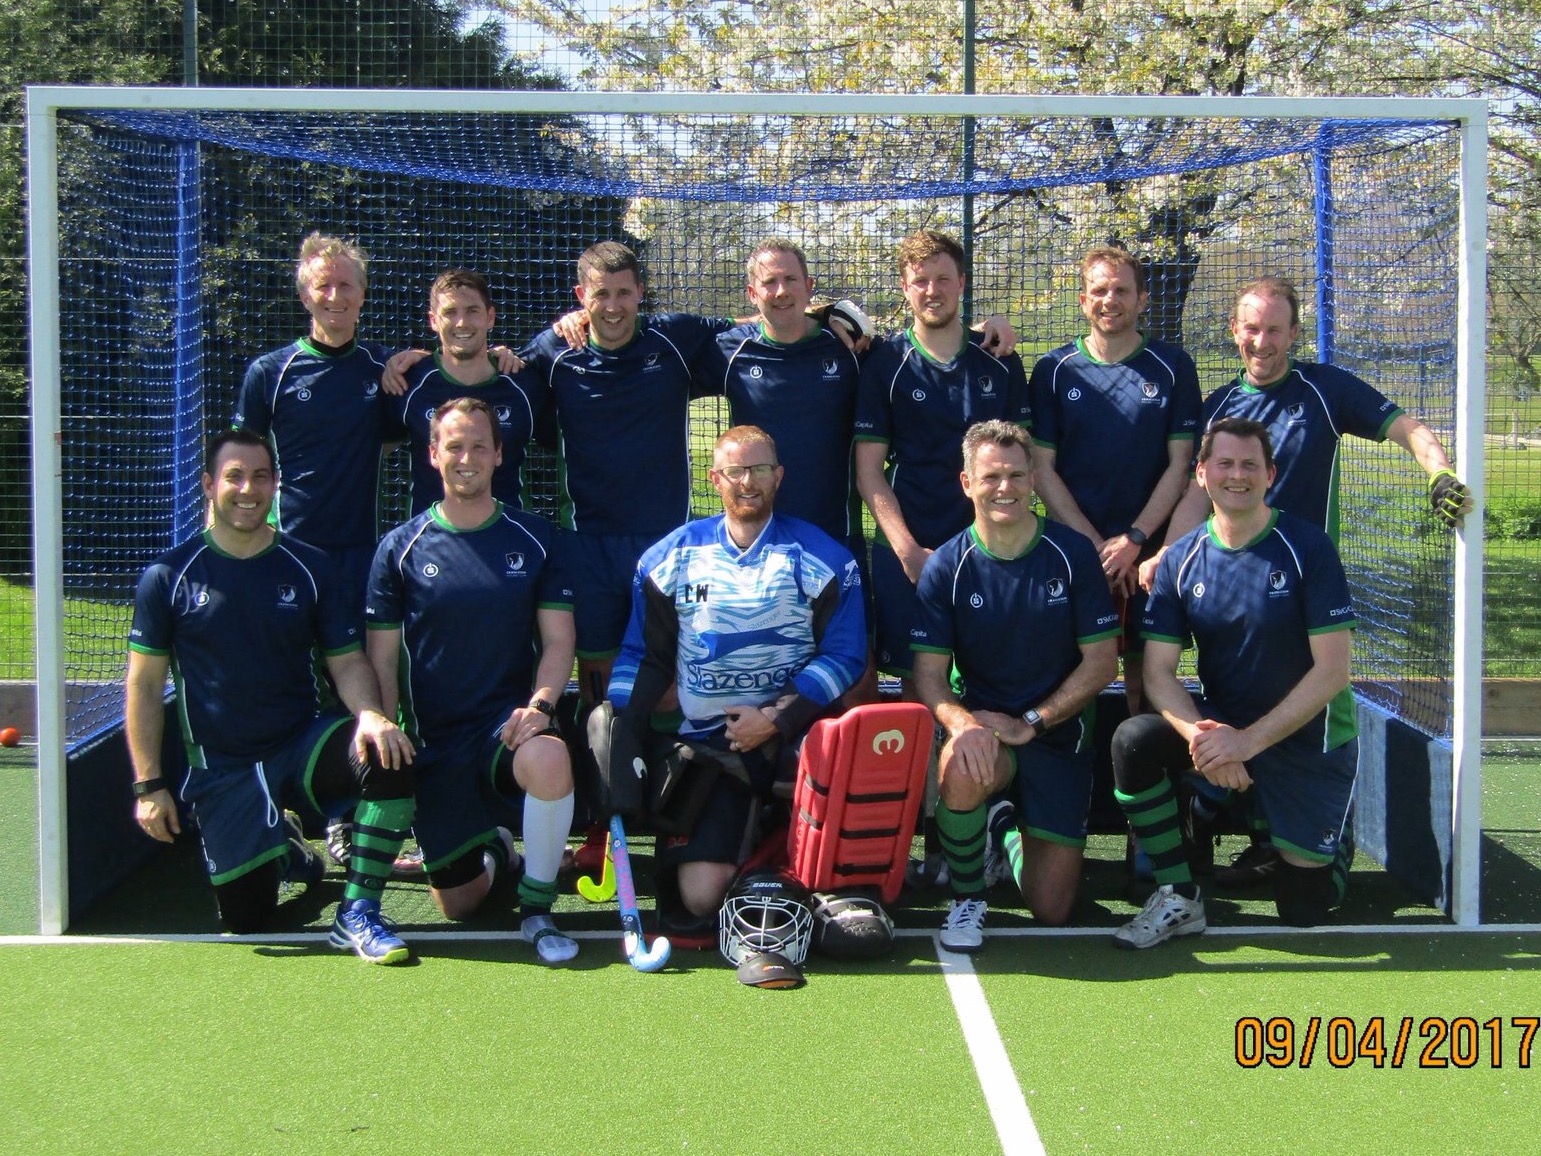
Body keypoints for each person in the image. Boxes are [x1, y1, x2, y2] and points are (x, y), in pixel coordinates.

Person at [1137, 274, 1471, 884]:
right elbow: (1193, 489)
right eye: (1250, 328)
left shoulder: (1324, 390)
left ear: (1293, 333)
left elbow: (1409, 429)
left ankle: (1311, 830)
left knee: (1306, 714)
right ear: (1234, 331)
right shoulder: (1215, 407)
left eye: (1273, 329)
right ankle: (1224, 807)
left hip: (1302, 594)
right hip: (1232, 584)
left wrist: (1439, 473)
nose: (1260, 341)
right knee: (1229, 695)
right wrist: (1166, 552)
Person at [126, 430, 418, 963]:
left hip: (297, 742)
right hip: (223, 766)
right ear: (209, 485)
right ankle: (286, 850)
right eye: (234, 476)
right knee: (247, 921)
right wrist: (149, 784)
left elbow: (347, 661)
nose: (248, 489)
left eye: (261, 476)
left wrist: (373, 716)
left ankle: (357, 911)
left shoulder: (309, 567)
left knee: (389, 754)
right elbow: (144, 687)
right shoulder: (167, 576)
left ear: (275, 484)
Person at [606, 425, 867, 938]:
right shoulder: (668, 559)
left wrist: (775, 718)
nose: (748, 481)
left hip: (797, 744)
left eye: (761, 469)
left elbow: (846, 653)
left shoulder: (823, 557)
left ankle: (776, 842)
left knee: (836, 877)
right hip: (708, 752)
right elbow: (644, 655)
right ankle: (759, 843)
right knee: (701, 899)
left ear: (779, 476)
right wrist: (618, 721)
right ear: (714, 478)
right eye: (735, 471)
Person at [1110, 418, 1359, 947]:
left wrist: (1246, 742)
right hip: (1225, 736)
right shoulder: (1180, 559)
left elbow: (1333, 672)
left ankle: (1327, 838)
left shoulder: (1308, 549)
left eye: (1250, 465)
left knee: (1305, 912)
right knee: (1133, 740)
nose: (1237, 475)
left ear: (1270, 474)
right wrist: (1202, 740)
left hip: (1305, 741)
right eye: (1224, 463)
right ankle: (1179, 893)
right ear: (1201, 474)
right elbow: (1157, 672)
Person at [365, 398, 580, 963]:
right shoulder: (400, 547)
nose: (467, 457)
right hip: (434, 742)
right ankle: (496, 849)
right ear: (433, 455)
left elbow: (559, 641)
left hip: (504, 734)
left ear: (499, 454)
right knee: (460, 904)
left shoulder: (535, 539)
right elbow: (382, 658)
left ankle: (537, 909)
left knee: (552, 757)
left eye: (479, 445)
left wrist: (541, 705)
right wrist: (390, 730)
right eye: (454, 446)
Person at [912, 420, 1120, 951]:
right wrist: (966, 724)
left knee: (1052, 910)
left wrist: (1034, 721)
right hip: (985, 729)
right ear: (966, 483)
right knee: (960, 761)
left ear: (1033, 480)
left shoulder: (1072, 556)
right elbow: (930, 677)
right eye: (990, 477)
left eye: (1015, 476)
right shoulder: (946, 566)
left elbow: (1102, 665)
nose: (1004, 488)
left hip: (1057, 732)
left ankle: (1002, 825)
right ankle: (967, 899)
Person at [854, 228, 1032, 687]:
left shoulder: (999, 357)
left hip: (990, 545)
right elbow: (869, 471)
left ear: (962, 283)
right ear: (904, 288)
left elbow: (1026, 462)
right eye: (920, 281)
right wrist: (908, 551)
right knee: (919, 681)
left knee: (991, 674)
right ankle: (927, 764)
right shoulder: (884, 362)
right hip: (912, 543)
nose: (931, 290)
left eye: (942, 278)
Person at [1029, 246, 1201, 710]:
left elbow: (1180, 465)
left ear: (1142, 299)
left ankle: (1143, 779)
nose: (1110, 300)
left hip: (1147, 557)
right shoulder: (1053, 370)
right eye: (1099, 290)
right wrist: (1091, 545)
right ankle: (1071, 775)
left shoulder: (1173, 367)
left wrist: (1134, 540)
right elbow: (1040, 469)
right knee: (1066, 674)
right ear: (1083, 301)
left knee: (1147, 682)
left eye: (1122, 290)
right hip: (1074, 552)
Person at [387, 269, 545, 516]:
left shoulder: (524, 385)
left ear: (490, 317)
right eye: (450, 312)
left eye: (472, 311)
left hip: (510, 543)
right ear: (433, 320)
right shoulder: (408, 383)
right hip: (430, 544)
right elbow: (370, 451)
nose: (462, 323)